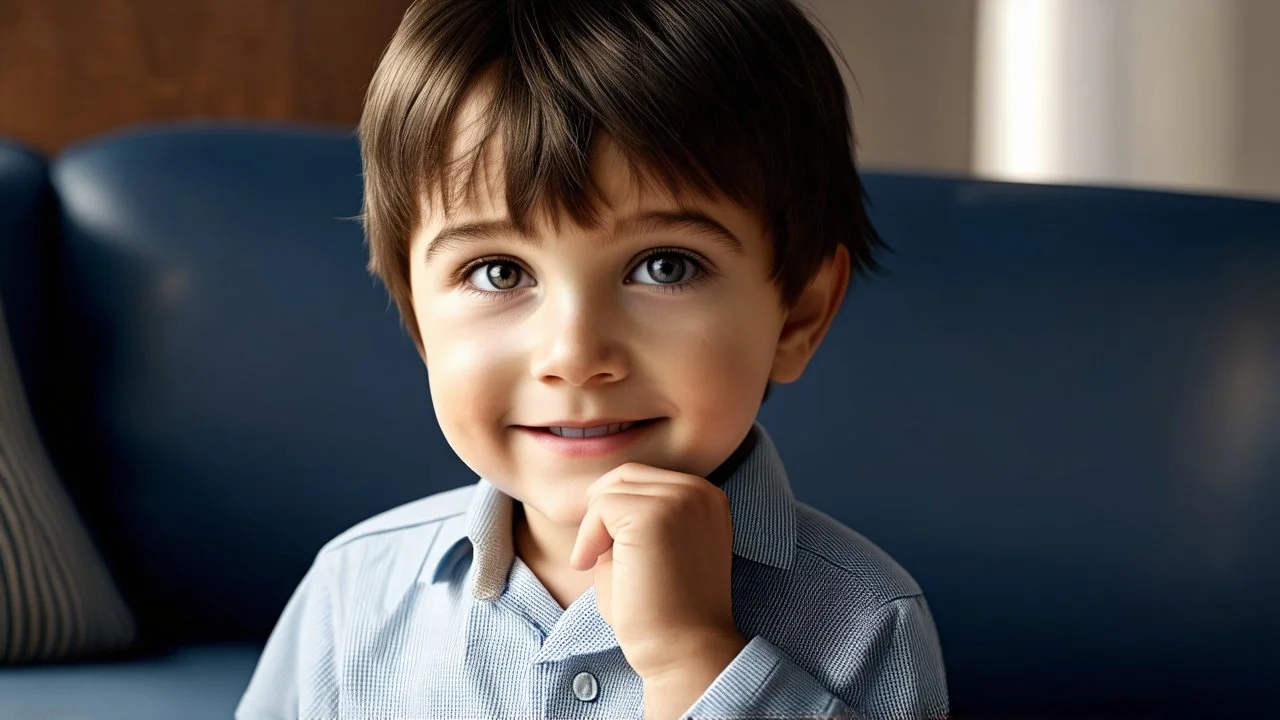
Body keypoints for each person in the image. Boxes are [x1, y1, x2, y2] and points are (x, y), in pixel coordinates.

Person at [237, 1, 948, 717]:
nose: (574, 357)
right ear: (420, 320)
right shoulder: (352, 589)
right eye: (498, 273)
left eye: (665, 267)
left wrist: (694, 659)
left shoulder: (867, 621)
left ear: (798, 314)